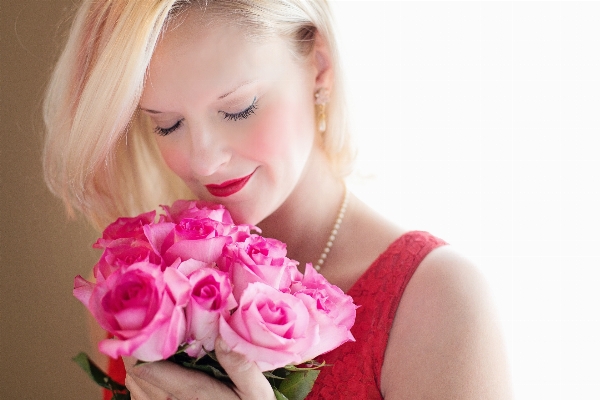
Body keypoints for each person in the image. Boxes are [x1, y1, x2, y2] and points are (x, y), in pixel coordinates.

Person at [43, 1, 512, 399]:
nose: (204, 161)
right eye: (167, 123)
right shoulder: (148, 292)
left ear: (320, 68)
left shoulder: (439, 300)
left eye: (238, 108)